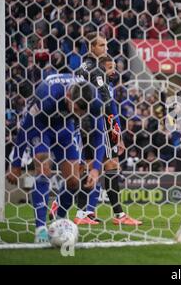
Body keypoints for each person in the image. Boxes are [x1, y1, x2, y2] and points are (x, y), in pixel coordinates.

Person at [53, 32, 141, 226]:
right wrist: (116, 131)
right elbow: (106, 104)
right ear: (92, 47)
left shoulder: (81, 68)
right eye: (102, 45)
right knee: (109, 165)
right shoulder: (95, 71)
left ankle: (79, 210)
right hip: (98, 124)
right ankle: (106, 214)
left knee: (89, 166)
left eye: (106, 45)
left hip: (84, 123)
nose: (106, 49)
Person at [7, 74, 105, 242]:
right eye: (77, 110)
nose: (81, 115)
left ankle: (57, 222)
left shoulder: (94, 99)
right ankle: (40, 229)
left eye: (83, 112)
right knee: (43, 170)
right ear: (68, 97)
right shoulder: (47, 95)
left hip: (66, 127)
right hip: (40, 126)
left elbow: (100, 134)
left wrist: (96, 168)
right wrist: (16, 164)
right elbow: (24, 129)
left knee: (74, 180)